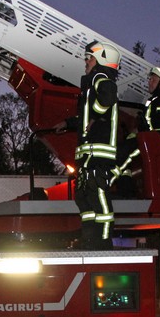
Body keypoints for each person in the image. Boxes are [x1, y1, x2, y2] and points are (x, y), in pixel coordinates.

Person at [55, 41, 120, 250]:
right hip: (87, 155)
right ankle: (90, 238)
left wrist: (96, 116)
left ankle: (104, 241)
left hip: (98, 155)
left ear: (101, 60)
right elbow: (85, 117)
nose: (86, 62)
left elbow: (107, 99)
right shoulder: (91, 87)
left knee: (99, 196)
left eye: (89, 58)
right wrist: (68, 123)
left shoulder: (102, 79)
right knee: (84, 198)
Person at [113, 66, 160, 192]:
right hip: (158, 139)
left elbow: (157, 123)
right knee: (126, 151)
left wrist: (140, 132)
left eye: (154, 79)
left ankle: (106, 184)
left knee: (122, 153)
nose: (149, 82)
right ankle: (125, 187)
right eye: (150, 79)